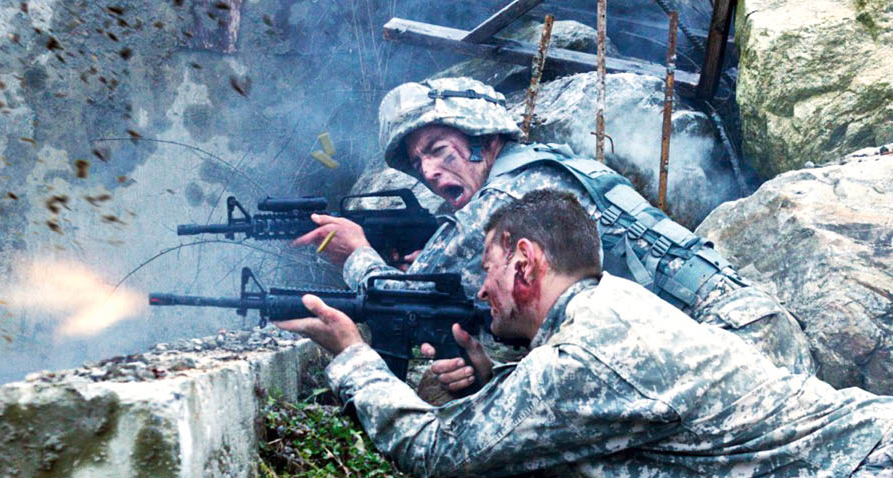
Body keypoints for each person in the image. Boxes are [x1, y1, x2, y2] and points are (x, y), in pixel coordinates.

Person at [276, 190, 893, 478]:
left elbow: (433, 450)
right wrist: (500, 385)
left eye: (488, 271)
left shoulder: (583, 357)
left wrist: (352, 355)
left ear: (525, 263)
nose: (482, 291)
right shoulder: (611, 305)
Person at [292, 76, 814, 385]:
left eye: (437, 150)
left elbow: (396, 298)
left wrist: (355, 252)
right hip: (746, 327)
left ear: (481, 138)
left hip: (736, 344)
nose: (428, 172)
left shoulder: (507, 193)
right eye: (417, 161)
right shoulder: (535, 168)